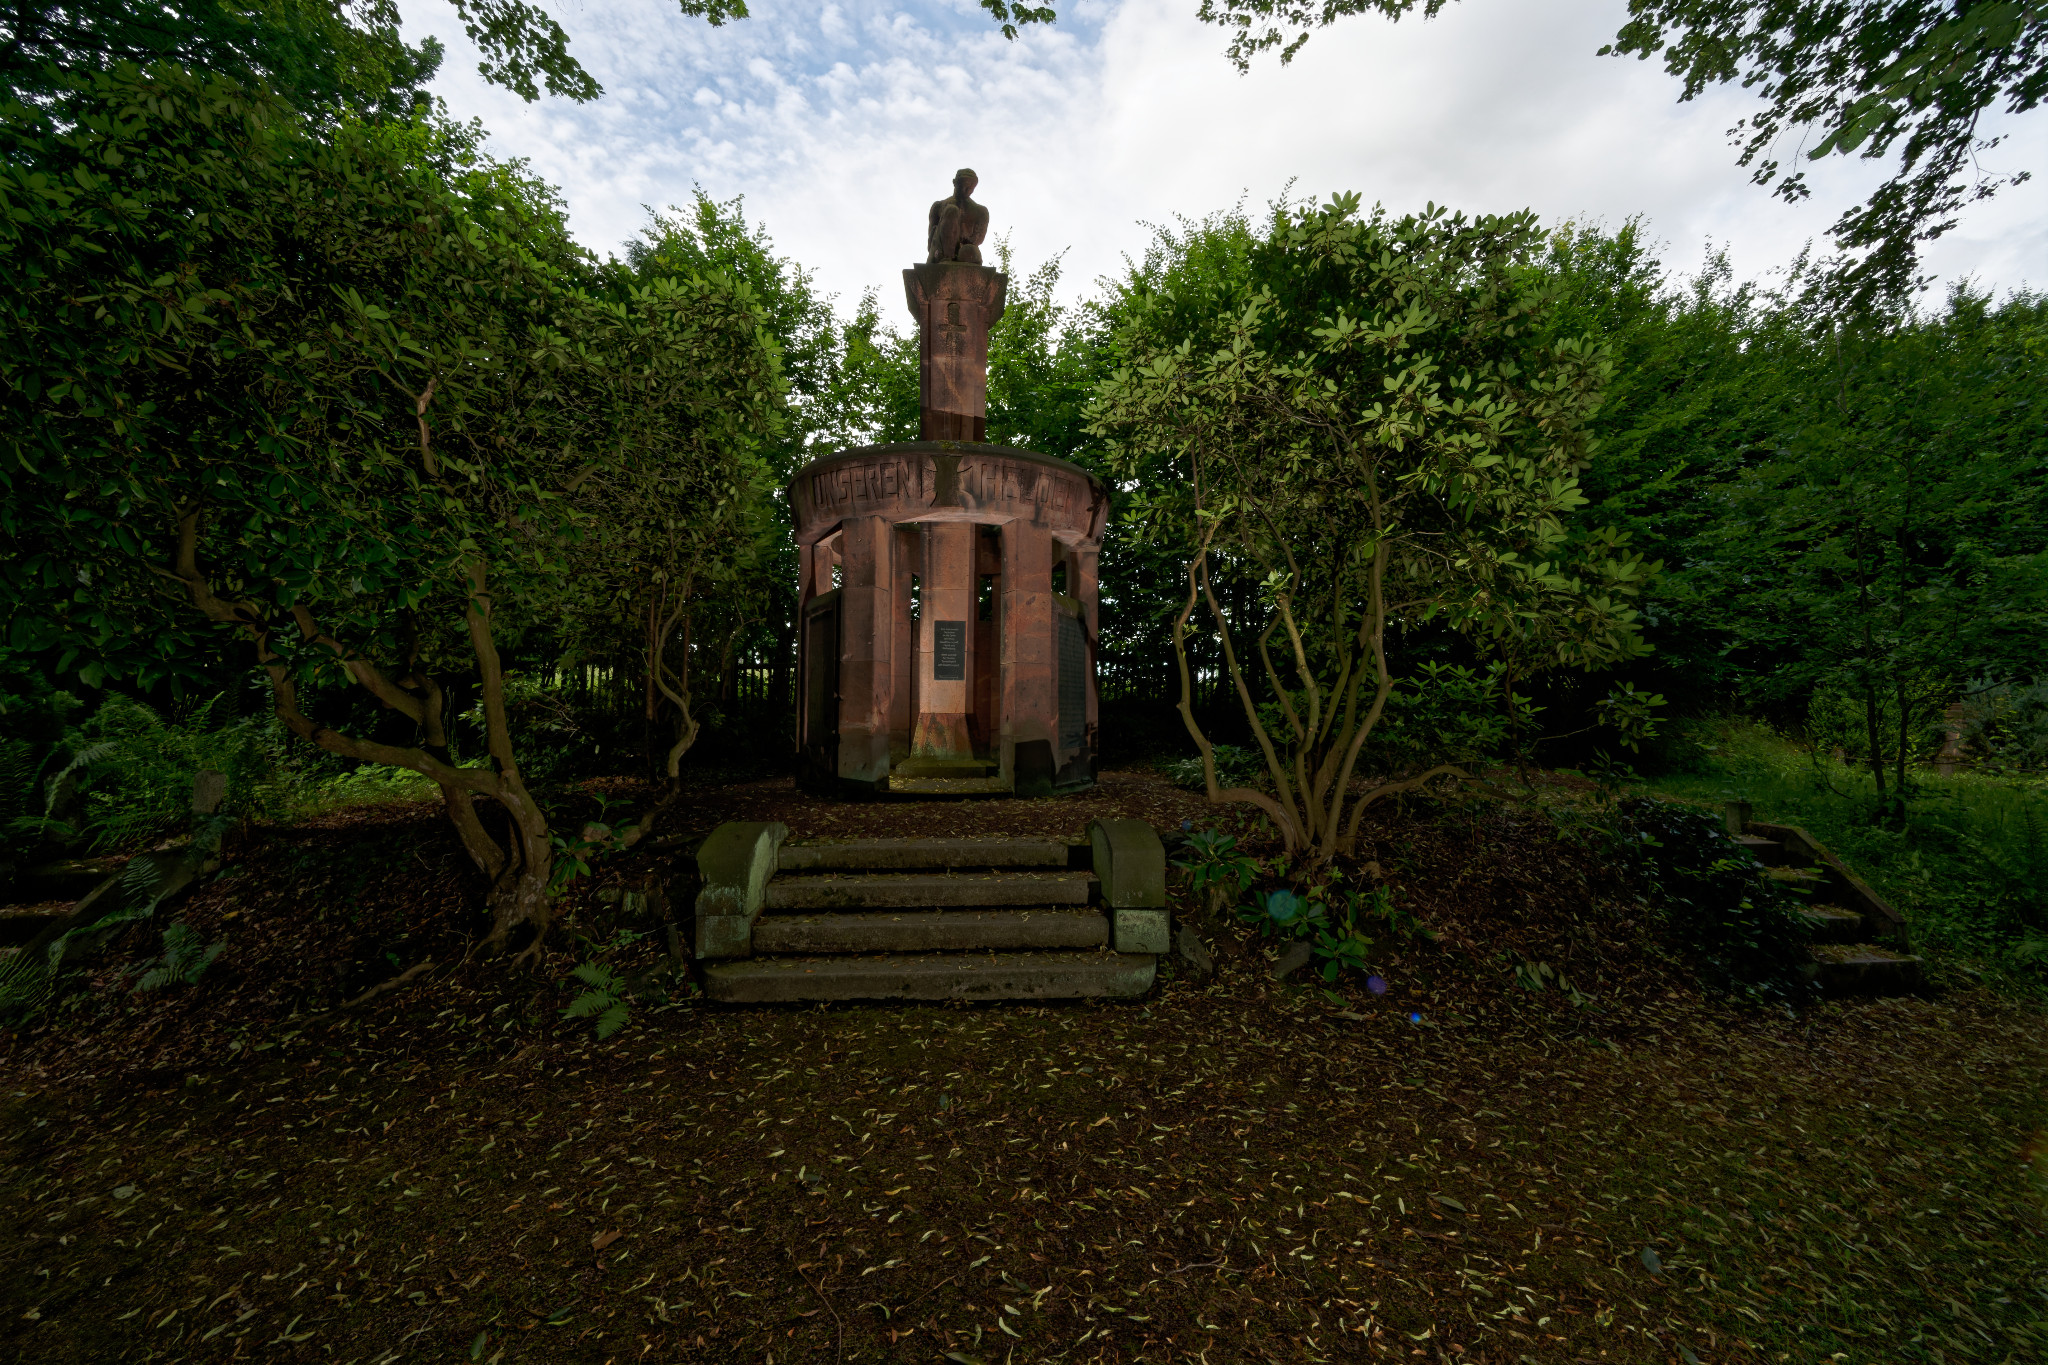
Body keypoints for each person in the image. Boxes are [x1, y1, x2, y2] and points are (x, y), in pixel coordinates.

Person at [926, 169, 989, 264]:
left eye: (971, 187)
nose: (967, 190)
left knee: (970, 252)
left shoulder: (981, 211)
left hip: (966, 250)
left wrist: (967, 242)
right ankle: (947, 257)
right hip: (941, 252)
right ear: (954, 183)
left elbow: (979, 239)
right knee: (951, 210)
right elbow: (931, 238)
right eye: (963, 185)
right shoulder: (939, 206)